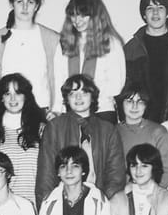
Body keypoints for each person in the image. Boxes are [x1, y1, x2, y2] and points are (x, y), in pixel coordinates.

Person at [36, 74, 125, 207]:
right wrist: (47, 207)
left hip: (99, 202)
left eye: (84, 93)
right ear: (67, 98)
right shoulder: (54, 127)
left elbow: (115, 175)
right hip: (63, 202)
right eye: (73, 94)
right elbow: (46, 174)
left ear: (92, 97)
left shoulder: (108, 130)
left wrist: (103, 204)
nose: (78, 98)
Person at [0, 0, 65, 118]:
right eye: (19, 1)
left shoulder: (51, 38)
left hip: (41, 111)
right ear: (12, 4)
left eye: (30, 2)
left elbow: (58, 78)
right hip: (6, 111)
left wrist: (56, 110)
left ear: (37, 6)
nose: (25, 7)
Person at [60, 0, 125, 123]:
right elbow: (59, 79)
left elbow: (116, 85)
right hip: (70, 111)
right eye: (73, 15)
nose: (77, 20)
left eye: (83, 15)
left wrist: (87, 98)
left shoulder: (111, 43)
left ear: (95, 16)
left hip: (102, 111)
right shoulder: (65, 42)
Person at [0, 73, 46, 206]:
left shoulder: (41, 128)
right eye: (7, 93)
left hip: (35, 204)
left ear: (26, 96)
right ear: (1, 98)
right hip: (2, 205)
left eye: (18, 93)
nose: (13, 98)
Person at [115, 86, 168, 188]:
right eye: (129, 101)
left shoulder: (158, 132)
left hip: (151, 193)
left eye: (140, 101)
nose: (134, 106)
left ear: (146, 105)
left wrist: (148, 192)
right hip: (120, 193)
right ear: (121, 104)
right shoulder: (113, 132)